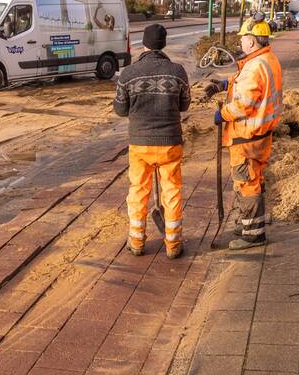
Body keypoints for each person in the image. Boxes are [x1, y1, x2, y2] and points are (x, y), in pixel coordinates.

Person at [113, 24, 191, 259]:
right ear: (163, 44)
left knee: (138, 190)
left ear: (144, 44)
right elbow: (185, 105)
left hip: (140, 144)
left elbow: (120, 109)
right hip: (170, 143)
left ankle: (137, 242)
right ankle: (173, 244)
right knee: (172, 190)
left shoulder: (128, 73)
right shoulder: (177, 72)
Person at [206, 32, 283, 250]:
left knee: (247, 182)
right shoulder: (267, 59)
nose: (240, 42)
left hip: (247, 135)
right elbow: (246, 83)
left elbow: (243, 104)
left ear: (251, 41)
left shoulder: (255, 66)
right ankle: (248, 223)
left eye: (242, 38)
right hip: (259, 134)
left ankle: (253, 235)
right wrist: (225, 84)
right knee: (254, 178)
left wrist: (223, 113)